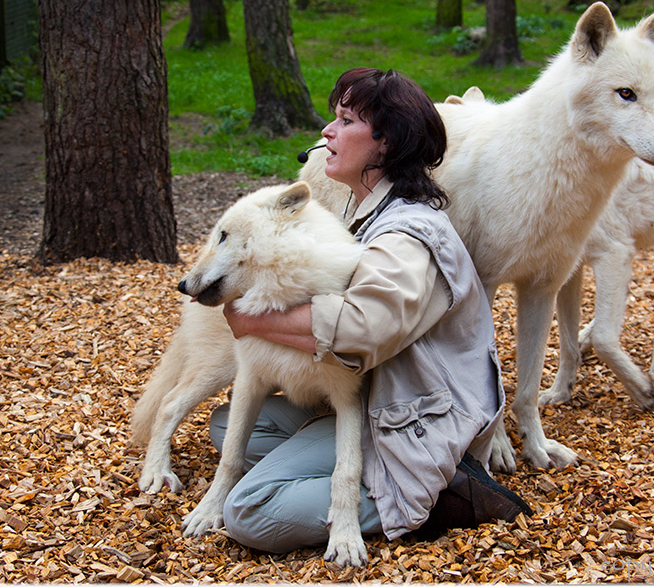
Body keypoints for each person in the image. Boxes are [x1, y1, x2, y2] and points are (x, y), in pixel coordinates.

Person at [210, 67, 530, 555]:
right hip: (378, 400)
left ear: (385, 144)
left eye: (344, 120)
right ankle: (351, 462)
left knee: (251, 510)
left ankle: (436, 495)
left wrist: (251, 320)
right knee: (230, 424)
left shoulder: (408, 234)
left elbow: (362, 330)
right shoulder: (368, 213)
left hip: (421, 421)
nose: (327, 131)